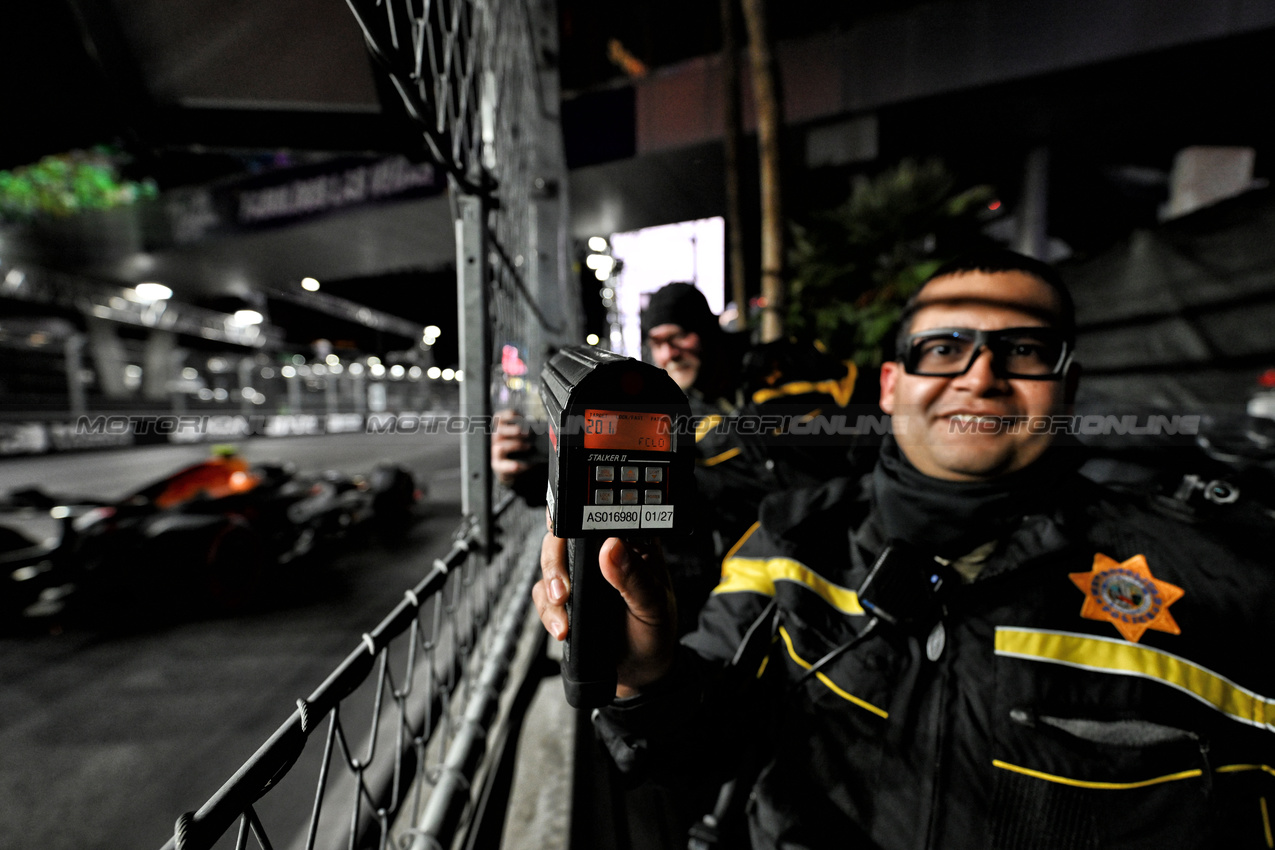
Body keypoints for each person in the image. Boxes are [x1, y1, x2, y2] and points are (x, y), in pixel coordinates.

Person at [533, 249, 1275, 849]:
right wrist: (645, 677)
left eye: (1022, 350)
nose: (979, 377)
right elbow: (705, 742)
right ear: (890, 385)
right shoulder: (794, 543)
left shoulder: (1219, 577)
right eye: (943, 349)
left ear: (1067, 385)